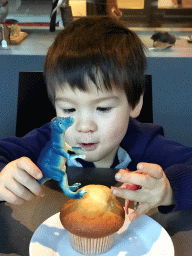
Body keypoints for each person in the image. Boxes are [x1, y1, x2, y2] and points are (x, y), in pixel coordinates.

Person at [0, 16, 192, 222]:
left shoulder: (145, 143)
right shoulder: (48, 140)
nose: (84, 126)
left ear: (135, 103)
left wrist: (168, 190)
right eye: (69, 109)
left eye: (102, 108)